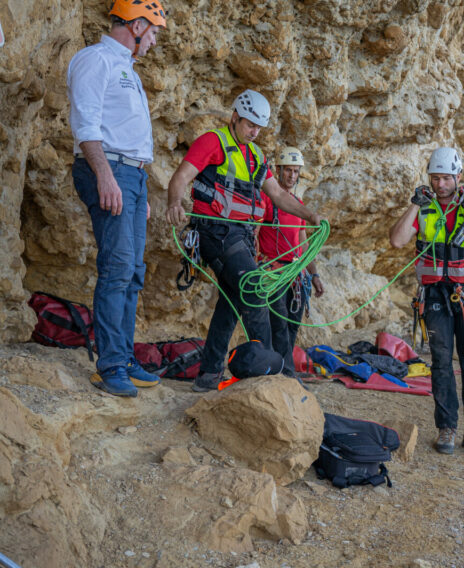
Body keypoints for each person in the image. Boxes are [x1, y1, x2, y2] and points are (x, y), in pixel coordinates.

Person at [165, 90, 321, 392]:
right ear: (235, 117)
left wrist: (310, 215)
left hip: (241, 237)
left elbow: (278, 195)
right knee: (254, 290)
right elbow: (181, 176)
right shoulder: (213, 142)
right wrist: (174, 202)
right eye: (250, 125)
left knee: (231, 303)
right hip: (215, 232)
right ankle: (269, 374)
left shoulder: (256, 156)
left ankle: (209, 374)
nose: (254, 132)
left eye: (258, 127)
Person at [67, 0, 168, 397]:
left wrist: (140, 188)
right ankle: (110, 366)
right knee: (118, 268)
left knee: (133, 271)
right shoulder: (96, 59)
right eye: (154, 32)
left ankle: (123, 358)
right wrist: (106, 176)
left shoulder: (127, 68)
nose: (155, 41)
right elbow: (86, 124)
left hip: (132, 176)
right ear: (137, 25)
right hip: (109, 169)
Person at [388, 147, 464, 456]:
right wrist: (414, 204)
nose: (440, 185)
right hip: (435, 295)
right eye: (435, 178)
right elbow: (397, 240)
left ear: (458, 177)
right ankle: (446, 427)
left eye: (446, 178)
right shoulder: (424, 209)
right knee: (441, 363)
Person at [257, 146, 325, 373]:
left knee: (293, 323)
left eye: (296, 171)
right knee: (279, 322)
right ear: (277, 170)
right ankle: (285, 372)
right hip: (273, 271)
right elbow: (254, 233)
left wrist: (314, 274)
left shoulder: (297, 205)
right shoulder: (267, 199)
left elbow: (303, 244)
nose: (292, 176)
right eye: (288, 170)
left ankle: (282, 368)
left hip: (295, 274)